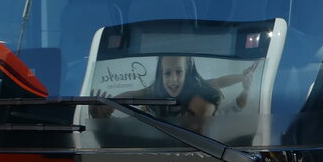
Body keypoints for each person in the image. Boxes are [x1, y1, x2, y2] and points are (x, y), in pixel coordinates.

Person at [91, 55, 257, 127]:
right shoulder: (155, 93)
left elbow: (220, 81)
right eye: (167, 73)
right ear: (161, 74)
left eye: (179, 72)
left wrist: (242, 78)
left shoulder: (197, 90)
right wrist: (111, 104)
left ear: (187, 74)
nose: (173, 79)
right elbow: (132, 95)